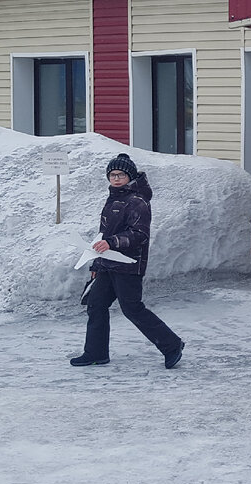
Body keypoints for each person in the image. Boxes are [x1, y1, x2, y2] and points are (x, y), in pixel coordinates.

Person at [70, 154, 186, 369]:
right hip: (106, 264)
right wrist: (96, 264)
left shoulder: (138, 202)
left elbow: (139, 234)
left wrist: (112, 243)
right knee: (96, 305)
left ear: (129, 176)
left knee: (132, 308)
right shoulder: (113, 198)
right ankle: (95, 353)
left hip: (128, 264)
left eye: (121, 174)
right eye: (112, 174)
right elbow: (103, 235)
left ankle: (172, 345)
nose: (116, 178)